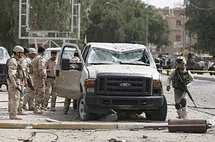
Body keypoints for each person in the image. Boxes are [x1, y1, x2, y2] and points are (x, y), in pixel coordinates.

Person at [7, 45, 24, 120]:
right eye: (21, 53)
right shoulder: (13, 61)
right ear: (17, 53)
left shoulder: (16, 60)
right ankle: (13, 114)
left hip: (15, 81)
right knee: (15, 98)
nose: (22, 55)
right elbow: (11, 73)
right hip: (13, 82)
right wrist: (14, 83)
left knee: (14, 98)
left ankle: (13, 113)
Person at [32, 45, 47, 114]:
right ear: (43, 51)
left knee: (36, 93)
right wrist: (44, 77)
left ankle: (37, 107)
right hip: (40, 79)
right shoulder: (40, 59)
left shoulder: (35, 58)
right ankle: (37, 108)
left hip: (35, 78)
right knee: (41, 93)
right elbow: (41, 69)